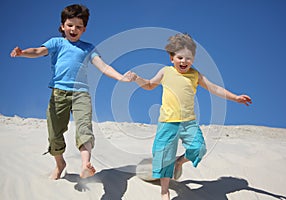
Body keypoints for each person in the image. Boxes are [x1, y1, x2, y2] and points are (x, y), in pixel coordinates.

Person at [10, 4, 135, 180]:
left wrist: (121, 78)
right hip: (58, 94)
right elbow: (38, 51)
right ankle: (60, 164)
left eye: (78, 26)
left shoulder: (88, 48)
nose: (73, 29)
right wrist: (23, 53)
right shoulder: (57, 43)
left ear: (84, 29)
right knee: (54, 134)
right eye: (70, 25)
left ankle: (85, 165)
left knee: (84, 127)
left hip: (80, 93)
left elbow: (103, 66)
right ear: (62, 26)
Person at [133, 33, 252, 200]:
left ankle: (179, 162)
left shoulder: (195, 75)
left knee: (199, 148)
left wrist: (235, 97)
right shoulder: (165, 72)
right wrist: (138, 79)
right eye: (180, 57)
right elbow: (150, 85)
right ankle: (164, 191)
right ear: (171, 57)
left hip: (188, 123)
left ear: (193, 59)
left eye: (188, 58)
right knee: (164, 155)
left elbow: (214, 88)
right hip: (168, 122)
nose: (184, 61)